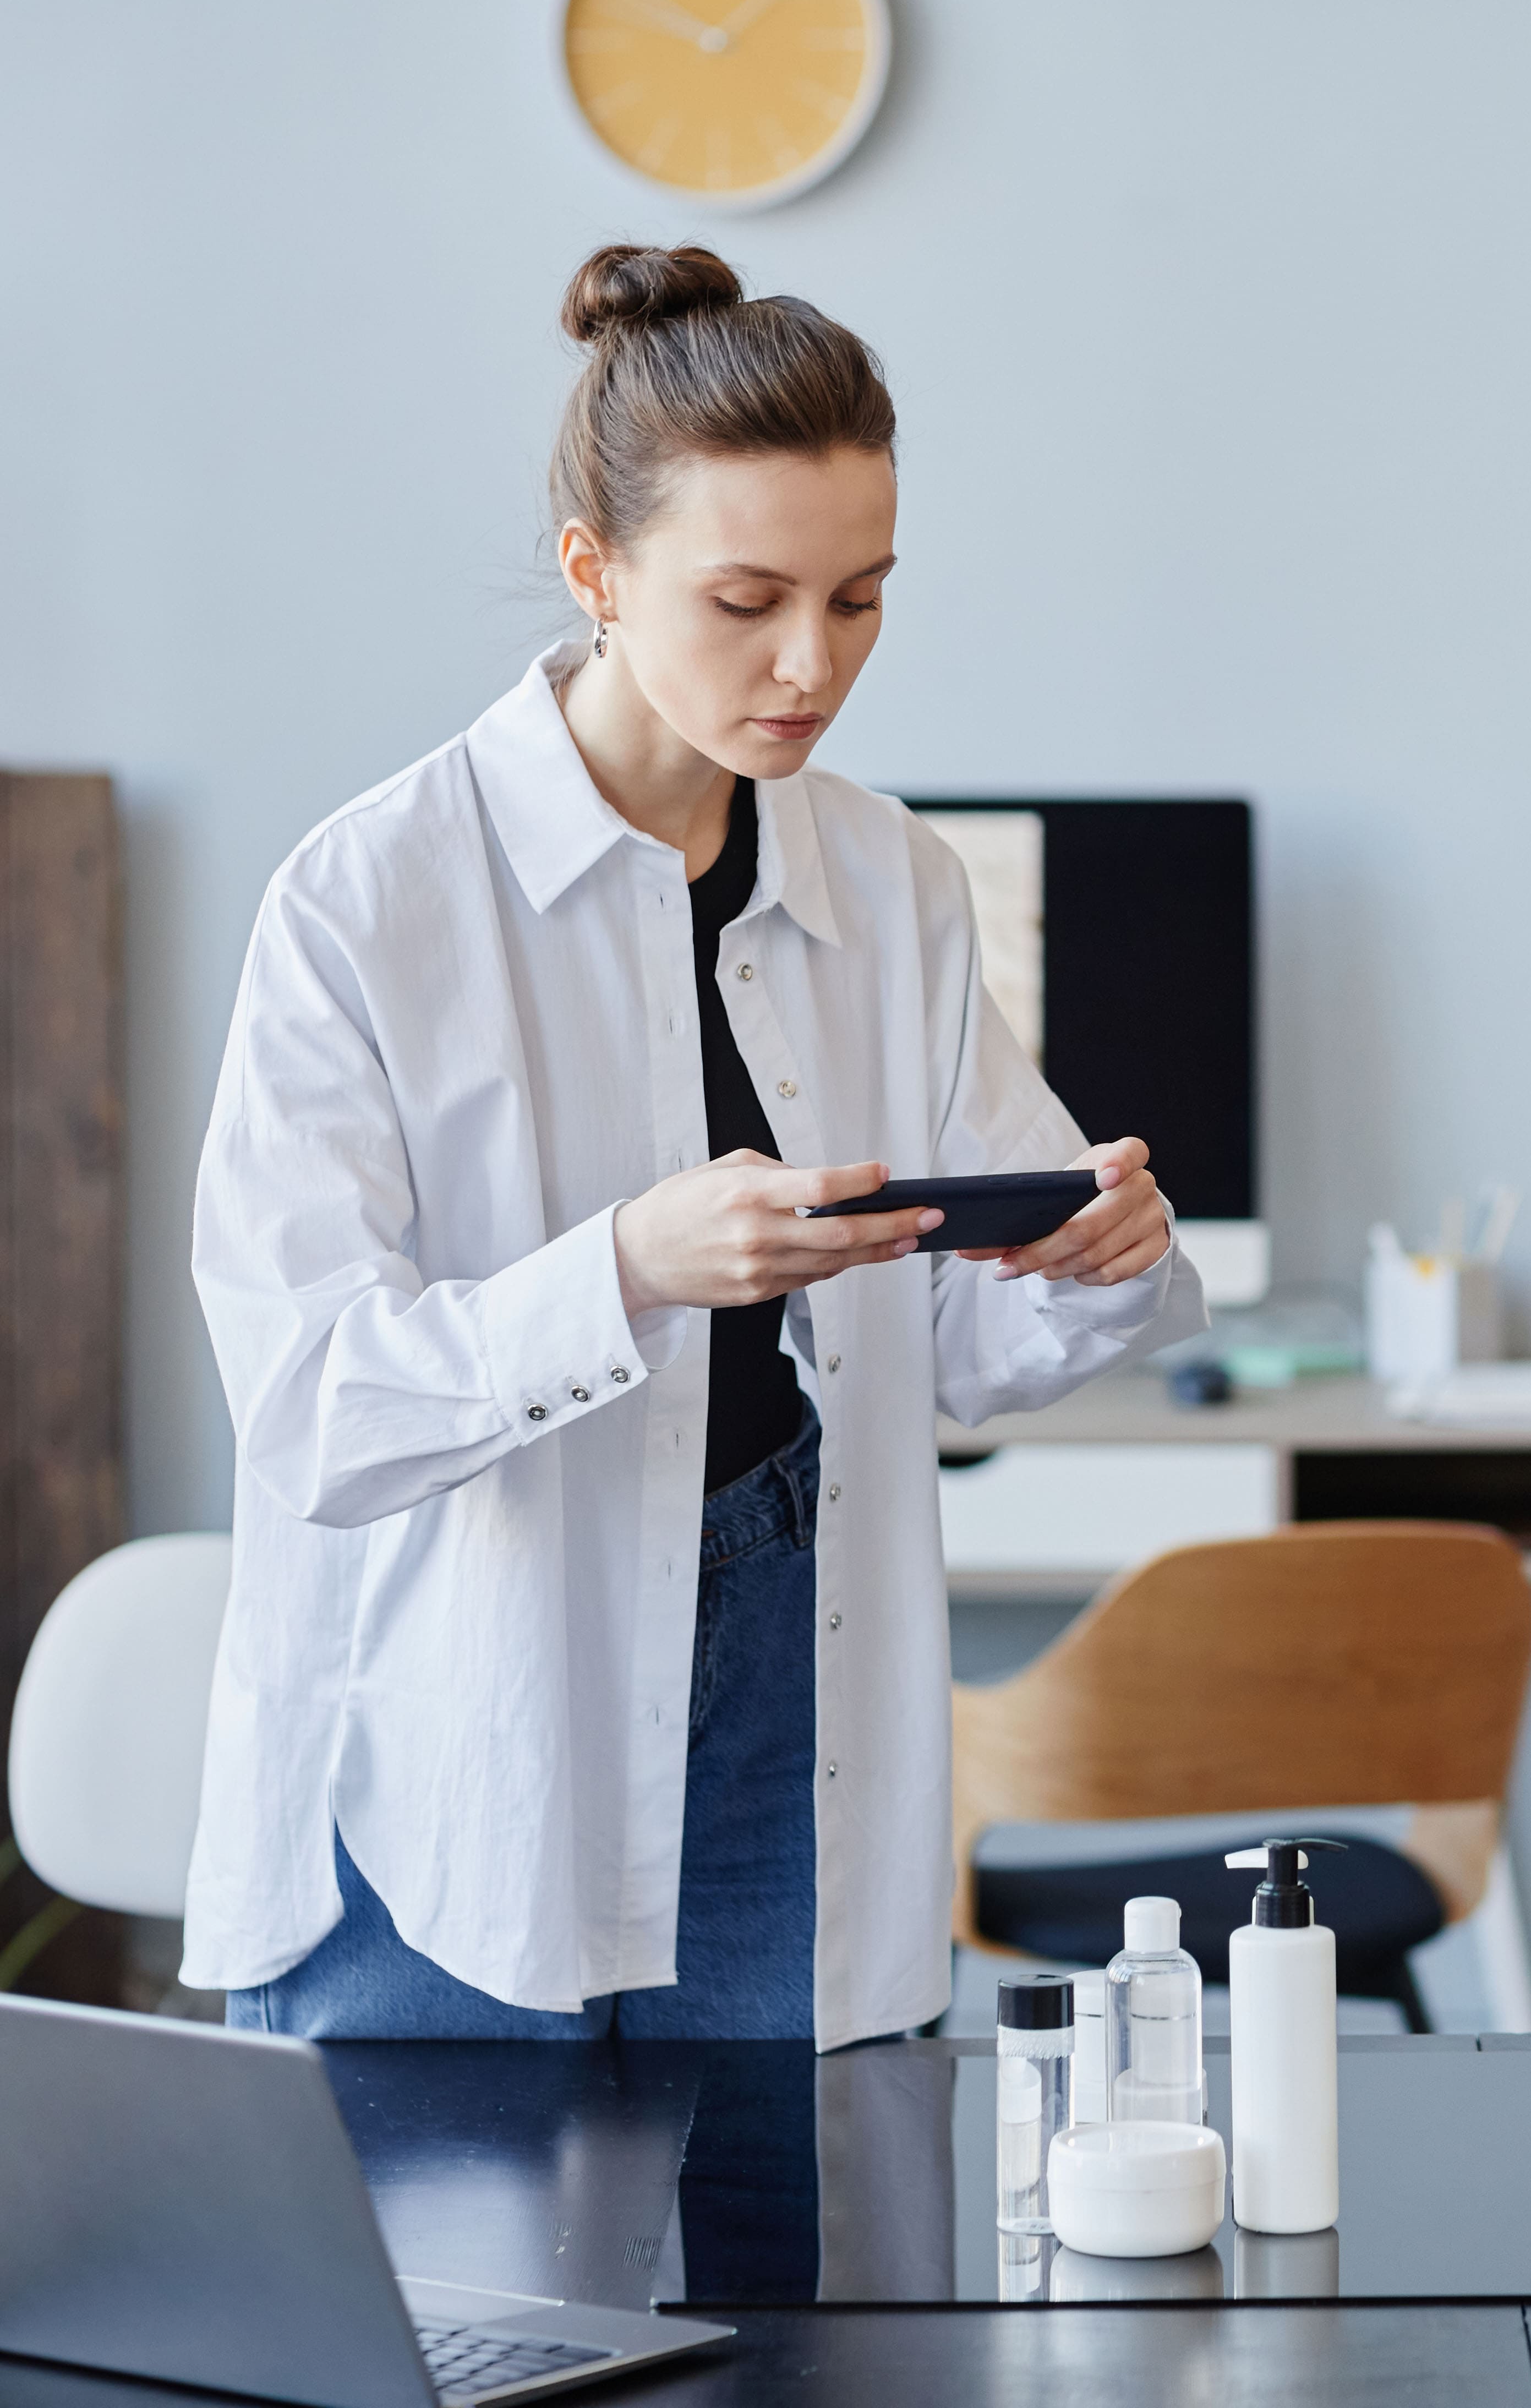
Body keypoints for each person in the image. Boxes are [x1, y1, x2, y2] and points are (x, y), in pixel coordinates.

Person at [186, 244, 1201, 2052]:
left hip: (791, 1652)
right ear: (596, 572)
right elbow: (310, 1412)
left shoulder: (895, 881)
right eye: (747, 600)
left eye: (863, 600)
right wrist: (630, 1270)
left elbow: (968, 1352)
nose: (814, 667)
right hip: (470, 1711)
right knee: (449, 2291)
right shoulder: (369, 899)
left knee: (784, 2298)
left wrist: (1092, 1261)